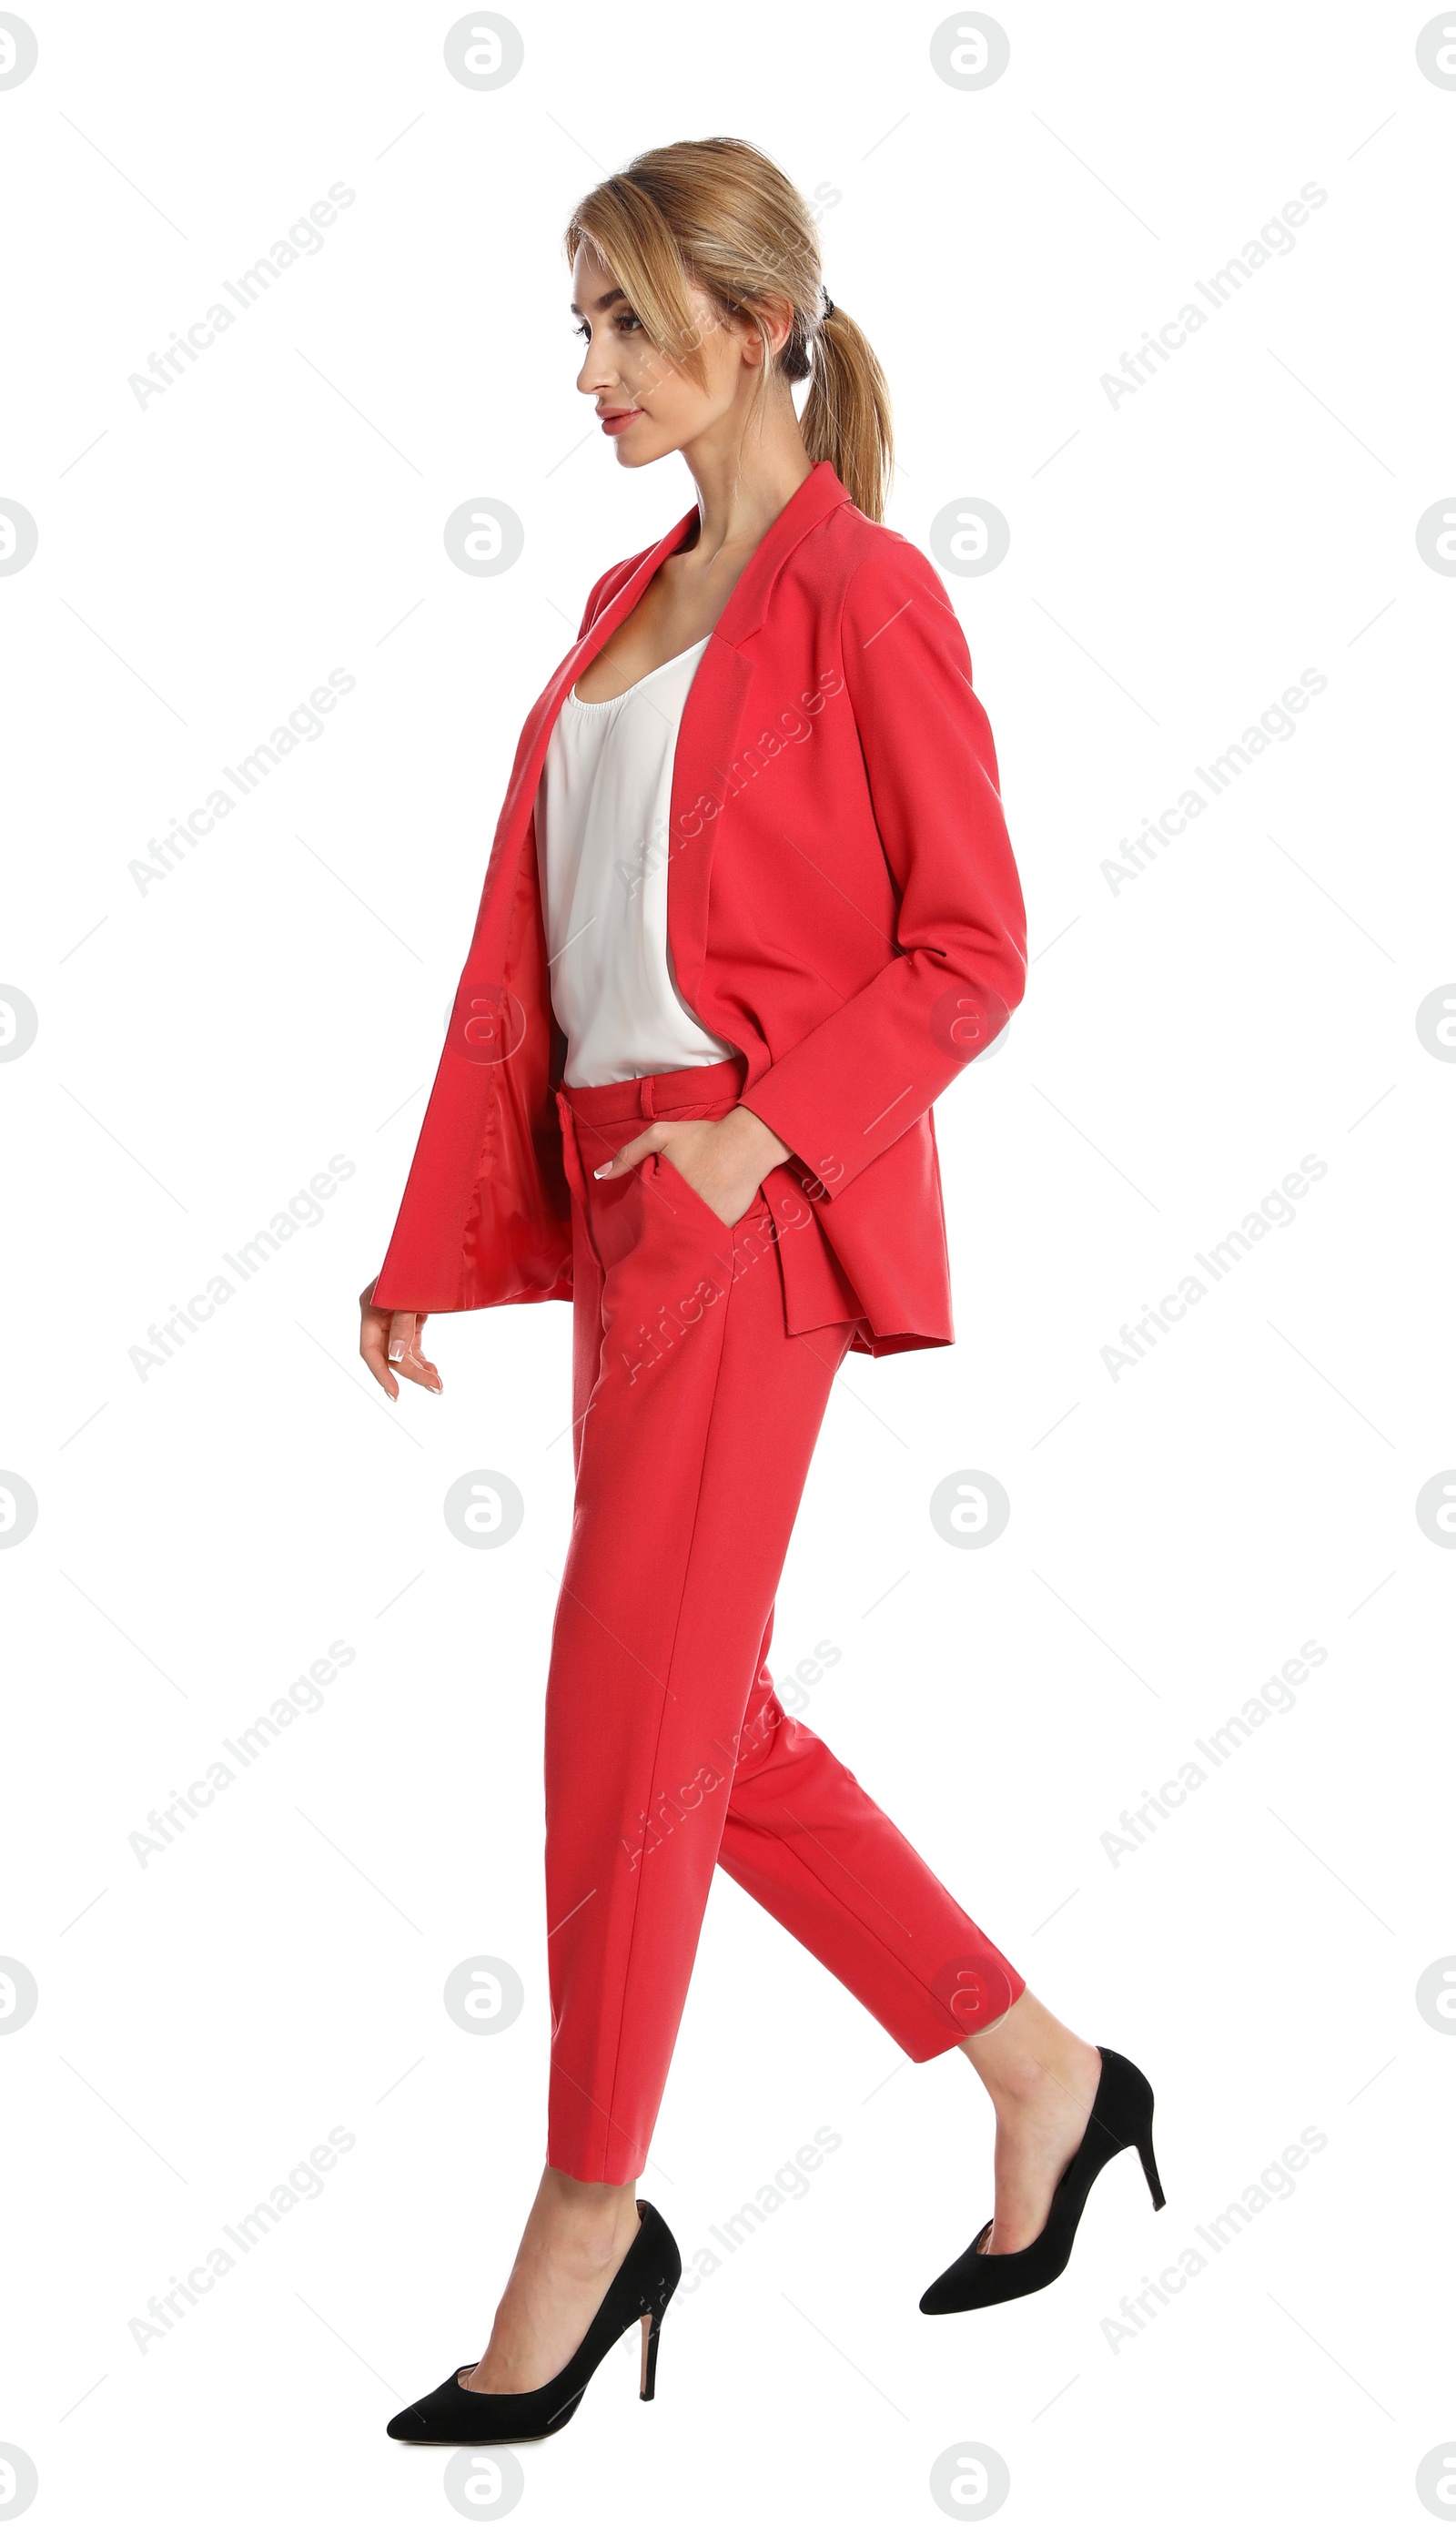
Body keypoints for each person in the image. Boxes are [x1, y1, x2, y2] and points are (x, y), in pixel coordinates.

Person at [363, 137, 1162, 2451]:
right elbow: (531, 958)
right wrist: (436, 1237)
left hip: (745, 1212)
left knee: (613, 1722)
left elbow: (973, 948)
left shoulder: (860, 595)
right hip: (621, 1211)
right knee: (700, 1723)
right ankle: (1042, 2070)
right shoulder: (618, 610)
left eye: (620, 322)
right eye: (579, 324)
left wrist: (758, 1127)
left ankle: (591, 2215)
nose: (586, 369)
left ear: (749, 328)